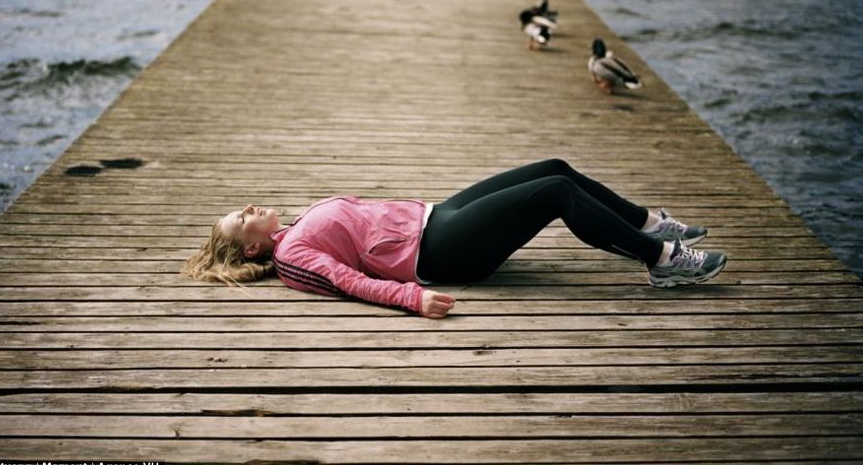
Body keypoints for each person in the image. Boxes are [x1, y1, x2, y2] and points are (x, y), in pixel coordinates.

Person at [183, 159, 727, 319]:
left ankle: (647, 223)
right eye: (240, 217)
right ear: (252, 247)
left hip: (437, 215)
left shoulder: (291, 227)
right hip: (441, 252)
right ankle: (661, 259)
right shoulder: (295, 256)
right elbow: (348, 282)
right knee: (557, 191)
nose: (248, 207)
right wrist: (411, 299)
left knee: (554, 165)